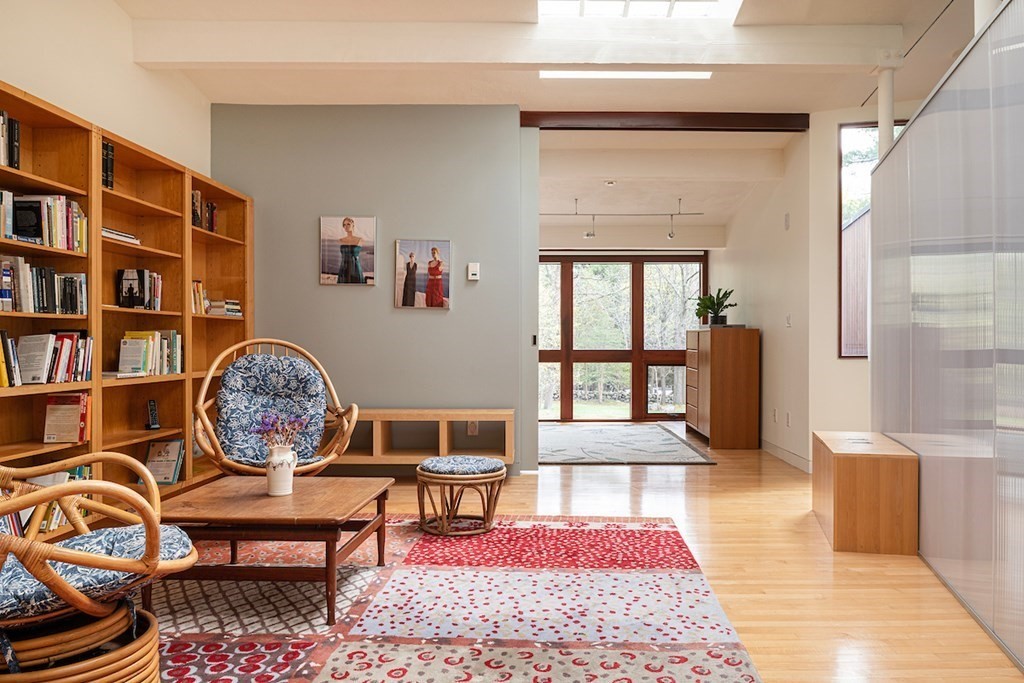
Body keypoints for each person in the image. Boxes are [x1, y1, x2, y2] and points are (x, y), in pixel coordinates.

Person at [336, 217, 364, 284]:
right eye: (344, 225)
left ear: (353, 225)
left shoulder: (359, 240)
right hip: (344, 267)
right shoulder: (341, 240)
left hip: (355, 268)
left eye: (348, 224)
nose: (346, 226)